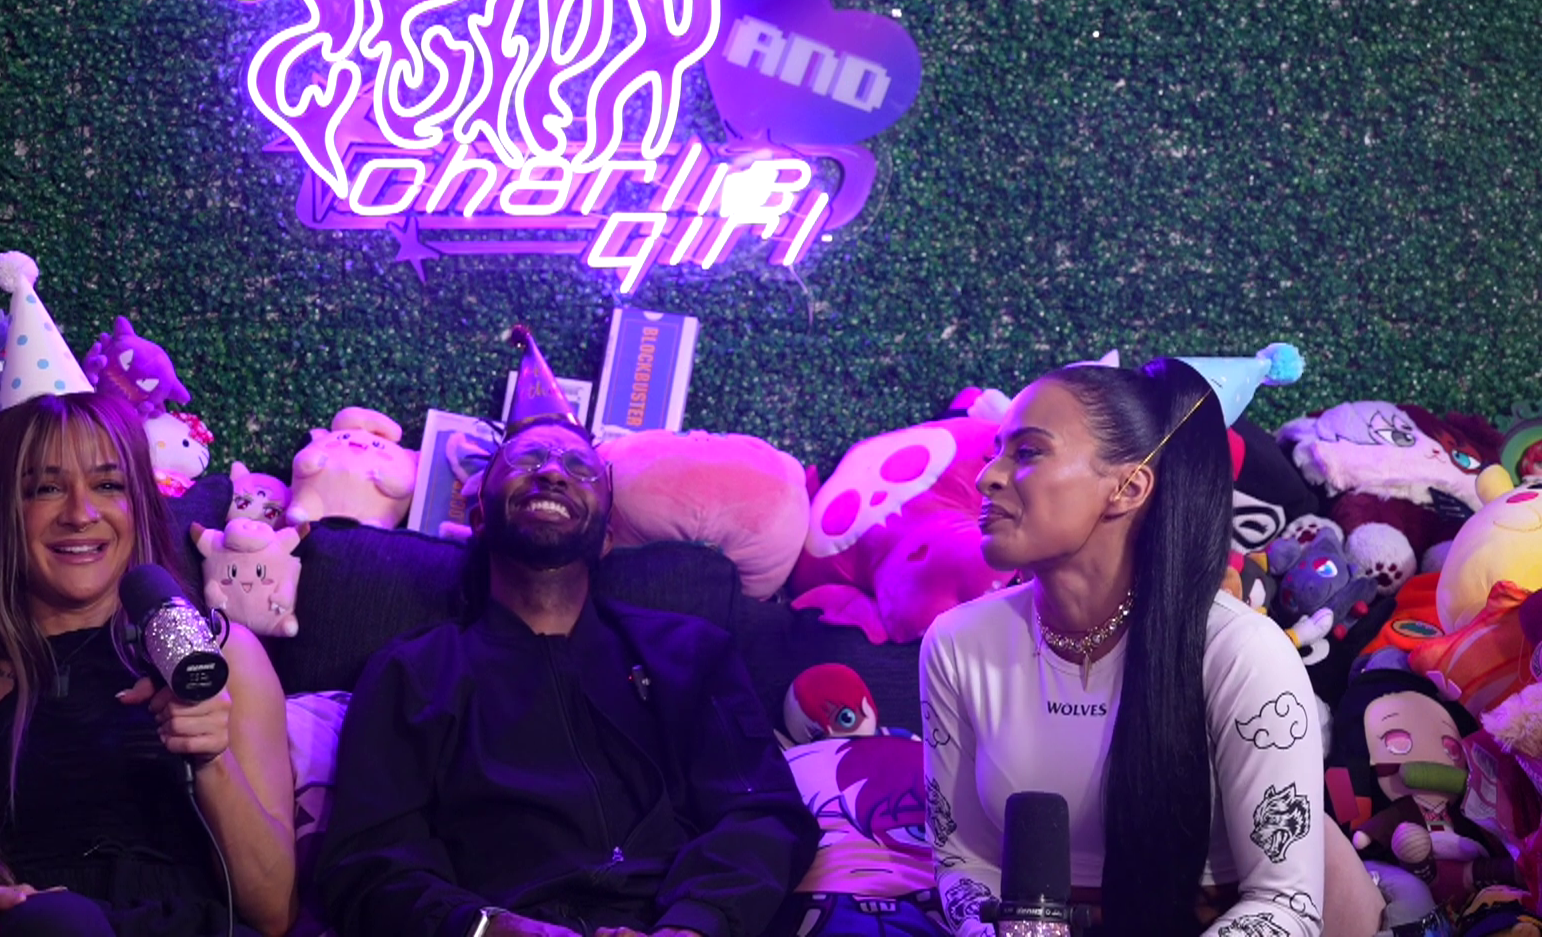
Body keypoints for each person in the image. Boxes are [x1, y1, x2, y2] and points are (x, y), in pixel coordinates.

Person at [315, 327, 817, 937]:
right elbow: (366, 866)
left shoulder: (692, 653)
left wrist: (692, 925)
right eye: (527, 461)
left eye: (580, 469)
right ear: (479, 516)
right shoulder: (413, 673)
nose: (553, 472)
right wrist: (492, 929)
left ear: (607, 536)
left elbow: (762, 813)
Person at [920, 356, 1384, 937]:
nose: (988, 476)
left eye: (1029, 451)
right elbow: (963, 859)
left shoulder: (1242, 652)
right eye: (996, 451)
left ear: (1129, 487)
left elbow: (1283, 904)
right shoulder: (957, 644)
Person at [0, 389, 299, 937]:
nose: (81, 514)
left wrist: (212, 761)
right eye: (45, 488)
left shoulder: (220, 656)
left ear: (139, 505)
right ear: (1, 513)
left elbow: (273, 910)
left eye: (108, 485)